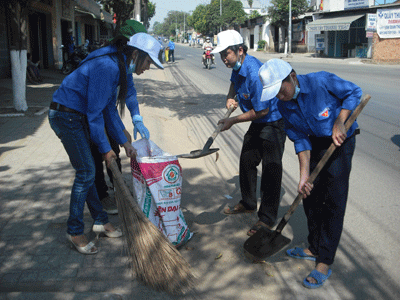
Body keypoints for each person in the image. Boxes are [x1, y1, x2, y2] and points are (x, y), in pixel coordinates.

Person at [48, 32, 163, 255]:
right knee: (86, 172)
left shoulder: (119, 65)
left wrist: (123, 141)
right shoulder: (107, 66)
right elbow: (94, 114)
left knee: (88, 171)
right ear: (137, 54)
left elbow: (108, 108)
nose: (148, 67)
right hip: (66, 116)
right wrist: (106, 149)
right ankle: (74, 230)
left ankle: (100, 220)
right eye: (148, 61)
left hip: (76, 115)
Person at [258, 58, 362, 288]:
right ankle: (313, 247)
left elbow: (354, 92)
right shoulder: (284, 105)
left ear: (292, 77)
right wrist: (304, 174)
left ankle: (324, 260)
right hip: (313, 144)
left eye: (280, 90)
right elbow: (299, 138)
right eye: (274, 93)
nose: (279, 96)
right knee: (310, 196)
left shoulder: (321, 81)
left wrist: (340, 120)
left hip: (339, 142)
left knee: (333, 201)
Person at [212, 30, 286, 237]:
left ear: (240, 50)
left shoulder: (254, 73)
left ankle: (267, 218)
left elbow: (262, 110)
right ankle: (248, 202)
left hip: (273, 121)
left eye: (226, 54)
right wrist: (230, 97)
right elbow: (234, 83)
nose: (223, 59)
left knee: (271, 169)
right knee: (247, 159)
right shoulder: (237, 65)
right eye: (221, 55)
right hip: (258, 120)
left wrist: (232, 121)